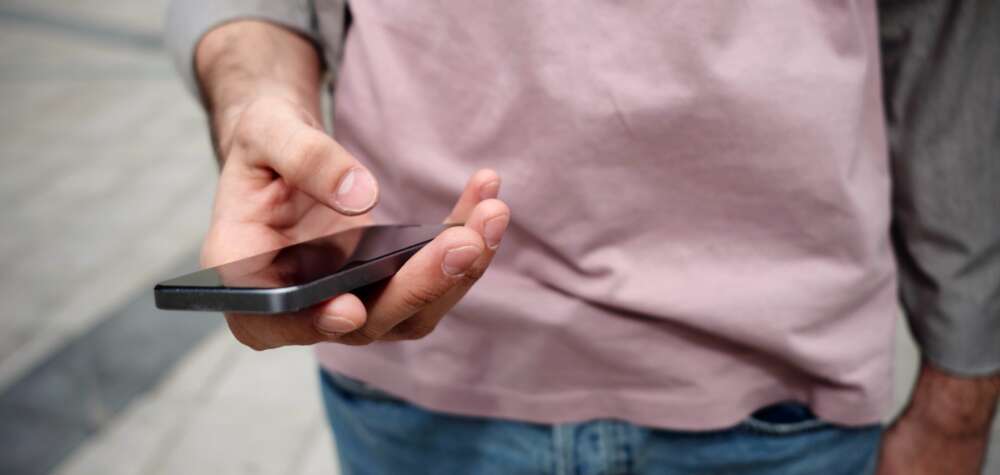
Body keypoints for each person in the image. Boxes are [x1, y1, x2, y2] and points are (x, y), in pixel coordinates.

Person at [165, 1, 999, 473]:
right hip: (413, 389)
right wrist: (255, 103)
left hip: (780, 399)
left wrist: (957, 406)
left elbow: (952, 33)